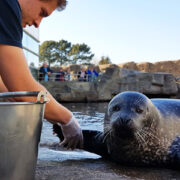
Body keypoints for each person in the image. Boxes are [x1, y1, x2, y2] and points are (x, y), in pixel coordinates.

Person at [0, 0, 83, 149]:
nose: (38, 23)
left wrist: (51, 114)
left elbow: (6, 88)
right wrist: (68, 119)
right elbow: (22, 89)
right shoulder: (6, 5)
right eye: (42, 13)